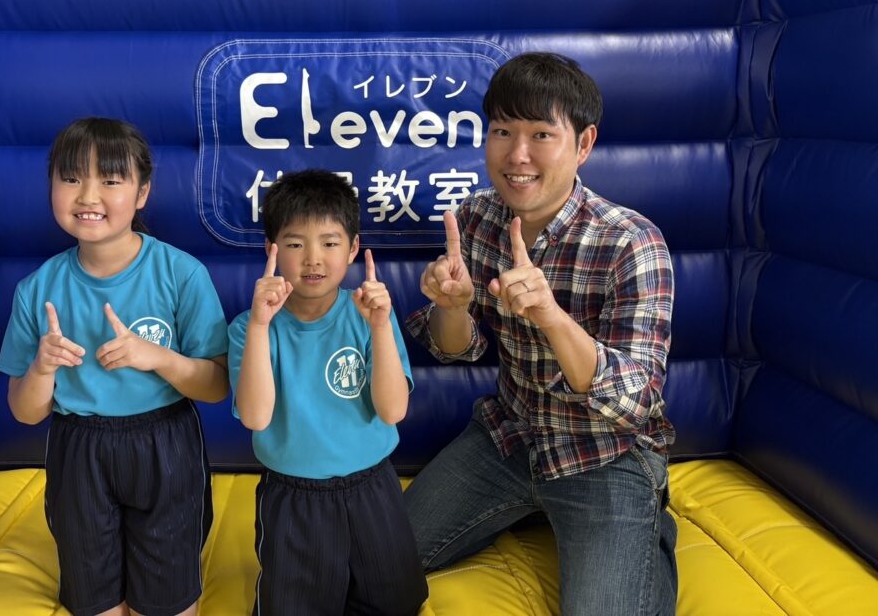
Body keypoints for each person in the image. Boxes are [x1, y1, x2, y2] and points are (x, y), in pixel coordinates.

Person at [404, 52, 678, 615]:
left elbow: (635, 403)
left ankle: (645, 526)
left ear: (583, 143)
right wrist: (453, 307)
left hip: (605, 456)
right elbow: (457, 349)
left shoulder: (631, 242)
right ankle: (533, 509)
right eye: (502, 131)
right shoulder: (476, 218)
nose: (517, 155)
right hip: (508, 437)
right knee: (377, 559)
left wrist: (551, 316)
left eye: (541, 134)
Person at [0, 117, 229, 616]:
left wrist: (158, 357)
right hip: (79, 449)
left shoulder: (182, 273)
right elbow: (25, 412)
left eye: (110, 179)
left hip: (164, 445)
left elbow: (216, 386)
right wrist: (42, 368)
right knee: (96, 603)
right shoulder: (36, 289)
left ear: (142, 192)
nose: (88, 195)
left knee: (165, 603)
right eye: (71, 178)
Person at [228, 169, 428, 615]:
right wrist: (259, 325)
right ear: (272, 249)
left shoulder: (369, 314)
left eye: (330, 243)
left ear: (353, 248)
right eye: (295, 244)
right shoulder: (248, 328)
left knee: (394, 602)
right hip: (294, 497)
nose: (313, 259)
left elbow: (393, 410)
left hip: (373, 487)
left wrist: (380, 327)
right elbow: (256, 417)